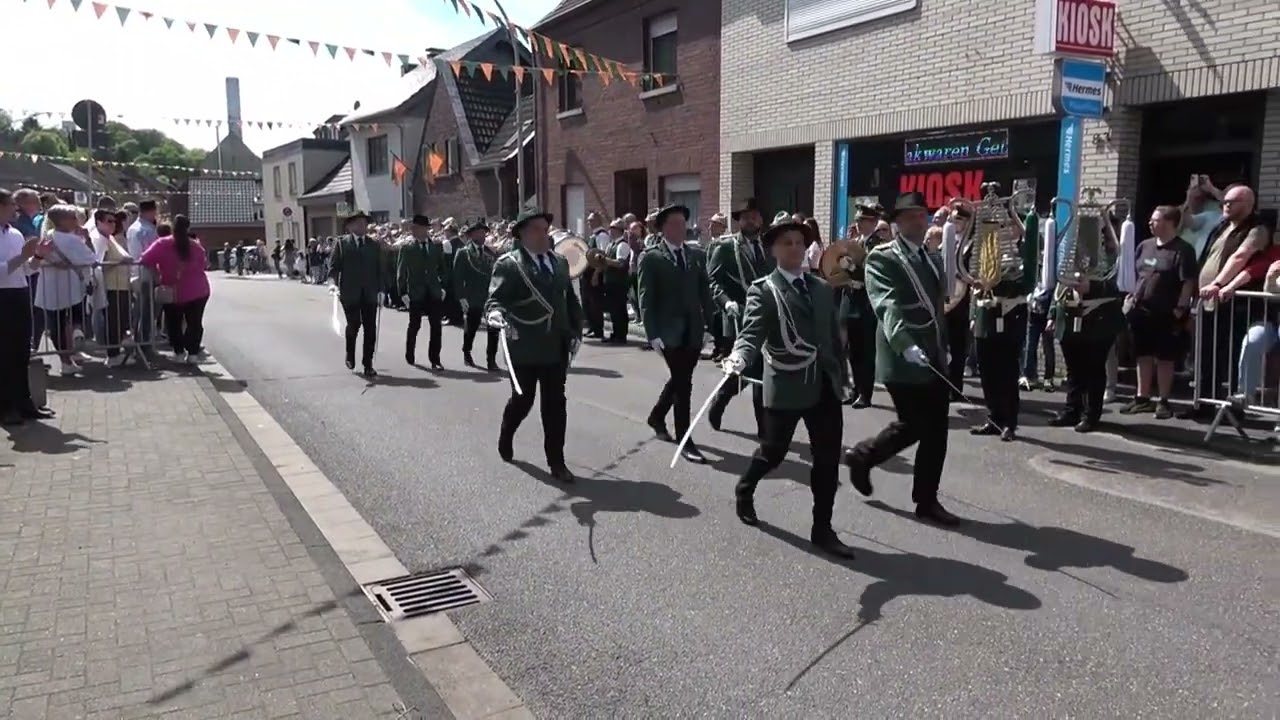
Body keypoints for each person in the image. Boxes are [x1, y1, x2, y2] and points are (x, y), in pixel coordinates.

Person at [722, 214, 854, 558]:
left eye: (799, 242)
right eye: (787, 243)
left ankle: (822, 528)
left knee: (826, 460)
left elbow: (832, 338)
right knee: (773, 453)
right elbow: (751, 333)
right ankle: (745, 487)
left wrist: (844, 375)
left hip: (824, 385)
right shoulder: (764, 290)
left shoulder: (822, 288)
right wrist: (738, 356)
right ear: (773, 251)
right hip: (787, 381)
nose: (795, 248)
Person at [843, 192, 961, 526]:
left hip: (933, 354)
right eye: (909, 216)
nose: (918, 221)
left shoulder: (930, 258)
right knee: (914, 423)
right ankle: (864, 456)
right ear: (896, 223)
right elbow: (886, 304)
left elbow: (937, 307)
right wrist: (904, 343)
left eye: (922, 215)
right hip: (902, 355)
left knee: (937, 429)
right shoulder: (883, 258)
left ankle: (927, 500)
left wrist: (943, 344)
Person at [486, 209, 583, 483]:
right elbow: (496, 299)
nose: (544, 234)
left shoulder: (560, 262)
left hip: (555, 346)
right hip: (524, 346)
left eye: (545, 229)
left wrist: (576, 329)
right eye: (538, 230)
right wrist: (495, 315)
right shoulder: (510, 264)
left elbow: (569, 300)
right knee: (523, 400)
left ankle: (557, 461)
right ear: (523, 234)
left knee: (555, 405)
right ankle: (506, 433)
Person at [638, 204, 717, 464]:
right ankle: (685, 439)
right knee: (683, 384)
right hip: (668, 332)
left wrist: (711, 325)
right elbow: (646, 298)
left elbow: (705, 292)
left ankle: (657, 416)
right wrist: (652, 334)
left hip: (693, 330)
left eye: (683, 223)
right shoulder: (651, 257)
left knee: (681, 378)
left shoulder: (695, 254)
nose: (680, 228)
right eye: (673, 223)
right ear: (662, 229)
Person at [1121, 205, 1198, 419]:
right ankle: (1142, 398)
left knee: (1165, 357)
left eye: (1156, 220)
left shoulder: (1183, 250)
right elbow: (1135, 274)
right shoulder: (1144, 246)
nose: (1150, 223)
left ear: (1170, 223)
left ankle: (1163, 400)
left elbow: (1188, 282)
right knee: (1142, 354)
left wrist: (1180, 309)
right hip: (1141, 311)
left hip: (1167, 313)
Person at [705, 198, 771, 437]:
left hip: (768, 317)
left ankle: (765, 431)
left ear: (761, 219)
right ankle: (721, 400)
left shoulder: (769, 246)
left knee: (761, 372)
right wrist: (726, 302)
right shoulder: (725, 247)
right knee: (746, 370)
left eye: (755, 216)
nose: (751, 220)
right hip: (739, 316)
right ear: (739, 221)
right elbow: (712, 280)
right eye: (745, 217)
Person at [0, 188, 54, 426]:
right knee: (4, 353)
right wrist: (23, 257)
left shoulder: (15, 234)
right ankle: (7, 407)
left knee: (22, 351)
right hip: (2, 297)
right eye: (11, 204)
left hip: (19, 294)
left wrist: (38, 257)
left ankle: (24, 402)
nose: (16, 209)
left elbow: (26, 270)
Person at [139, 215, 211, 363]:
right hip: (198, 289)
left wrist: (157, 272)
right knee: (194, 322)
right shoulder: (196, 246)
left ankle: (179, 352)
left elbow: (144, 259)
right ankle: (193, 353)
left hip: (173, 290)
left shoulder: (162, 244)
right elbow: (204, 265)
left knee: (174, 322)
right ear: (188, 228)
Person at [329, 210, 385, 377]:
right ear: (350, 226)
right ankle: (350, 353)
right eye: (359, 223)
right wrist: (332, 285)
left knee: (370, 328)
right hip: (349, 293)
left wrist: (382, 290)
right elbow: (333, 269)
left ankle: (368, 364)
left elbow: (380, 270)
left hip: (370, 293)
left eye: (364, 223)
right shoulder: (341, 244)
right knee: (354, 325)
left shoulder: (373, 245)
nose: (363, 226)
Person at [839, 204, 884, 408]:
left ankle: (865, 393)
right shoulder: (855, 242)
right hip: (851, 301)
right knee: (853, 351)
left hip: (866, 303)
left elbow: (874, 273)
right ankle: (855, 390)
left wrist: (856, 273)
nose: (858, 223)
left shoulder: (878, 245)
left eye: (863, 220)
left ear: (873, 222)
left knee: (866, 351)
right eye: (857, 220)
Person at [398, 214, 446, 370]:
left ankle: (435, 359)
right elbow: (401, 271)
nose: (414, 231)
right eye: (413, 228)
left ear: (426, 229)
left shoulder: (436, 247)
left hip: (433, 291)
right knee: (414, 325)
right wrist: (403, 293)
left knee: (436, 326)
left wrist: (443, 287)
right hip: (416, 292)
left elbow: (443, 269)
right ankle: (410, 353)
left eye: (418, 228)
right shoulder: (408, 248)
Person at [453, 219, 500, 370]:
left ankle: (491, 359)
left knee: (493, 329)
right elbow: (457, 277)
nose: (482, 236)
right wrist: (461, 297)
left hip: (489, 297)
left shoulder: (490, 253)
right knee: (471, 328)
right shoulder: (463, 253)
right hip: (472, 296)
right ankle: (467, 351)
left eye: (484, 233)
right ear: (472, 235)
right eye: (479, 233)